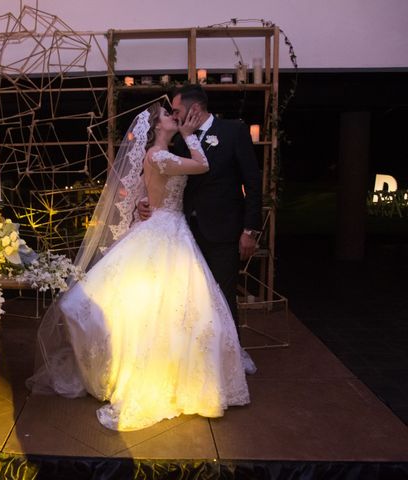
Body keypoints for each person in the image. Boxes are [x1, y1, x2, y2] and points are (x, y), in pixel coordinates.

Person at [26, 102, 250, 431]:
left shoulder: (158, 156)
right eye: (168, 115)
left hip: (166, 227)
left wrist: (147, 201)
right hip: (167, 231)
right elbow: (202, 165)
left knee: (175, 309)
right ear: (158, 127)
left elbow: (152, 192)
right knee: (167, 308)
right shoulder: (159, 155)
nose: (175, 117)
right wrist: (189, 136)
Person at [139, 84, 263, 324]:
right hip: (185, 234)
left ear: (194, 107)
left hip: (223, 233)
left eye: (176, 110)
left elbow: (254, 183)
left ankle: (230, 358)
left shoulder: (233, 131)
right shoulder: (182, 140)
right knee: (190, 301)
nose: (174, 115)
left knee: (223, 299)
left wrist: (250, 229)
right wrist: (146, 202)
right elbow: (165, 181)